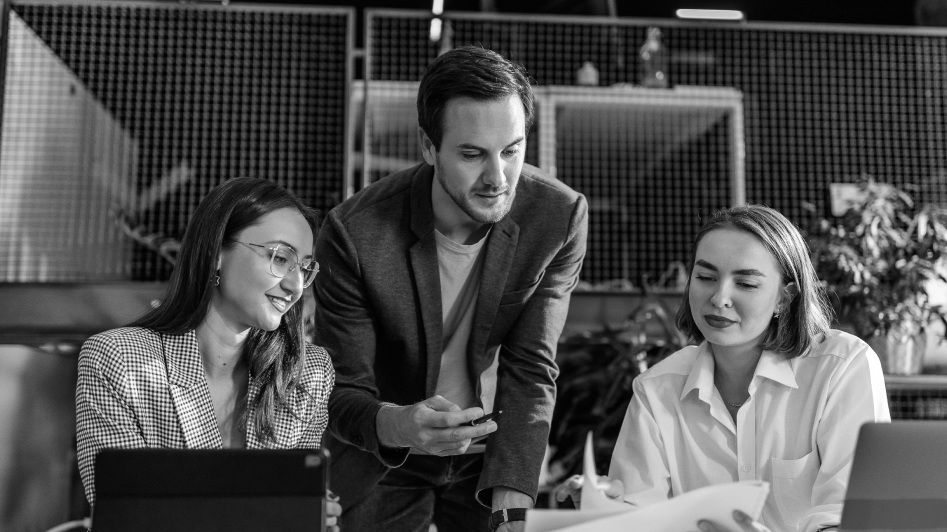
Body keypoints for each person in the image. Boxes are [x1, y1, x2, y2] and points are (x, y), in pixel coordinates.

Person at [313, 45, 588, 532]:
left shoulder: (558, 217)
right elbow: (343, 390)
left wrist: (511, 505)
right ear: (427, 146)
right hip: (388, 450)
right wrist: (402, 425)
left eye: (512, 150)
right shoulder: (355, 233)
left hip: (493, 453)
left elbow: (531, 367)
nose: (497, 178)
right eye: (471, 154)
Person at [556, 204, 890, 532]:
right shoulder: (657, 389)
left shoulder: (843, 368)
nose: (719, 297)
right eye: (705, 277)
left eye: (745, 283)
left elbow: (855, 519)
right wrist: (611, 510)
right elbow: (643, 513)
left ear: (785, 298)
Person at [75, 177, 341, 530]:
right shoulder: (119, 360)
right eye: (280, 258)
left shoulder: (307, 373)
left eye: (305, 267)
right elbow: (125, 517)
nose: (295, 286)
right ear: (217, 253)